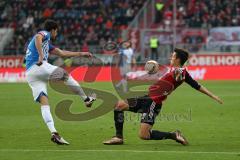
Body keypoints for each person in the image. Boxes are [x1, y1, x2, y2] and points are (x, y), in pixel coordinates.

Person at [103, 48, 223, 145]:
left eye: (173, 56)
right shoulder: (172, 69)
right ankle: (118, 137)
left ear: (178, 59)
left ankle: (173, 135)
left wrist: (213, 96)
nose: (171, 57)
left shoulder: (180, 72)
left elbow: (195, 85)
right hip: (146, 97)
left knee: (144, 135)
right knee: (119, 106)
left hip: (153, 103)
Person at [25, 19, 96, 145]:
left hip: (31, 74)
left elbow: (62, 53)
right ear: (53, 30)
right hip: (38, 66)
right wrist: (41, 57)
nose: (56, 34)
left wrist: (81, 53)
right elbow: (37, 37)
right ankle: (86, 99)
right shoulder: (45, 34)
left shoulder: (48, 44)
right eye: (56, 32)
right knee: (65, 75)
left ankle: (54, 133)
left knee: (44, 102)